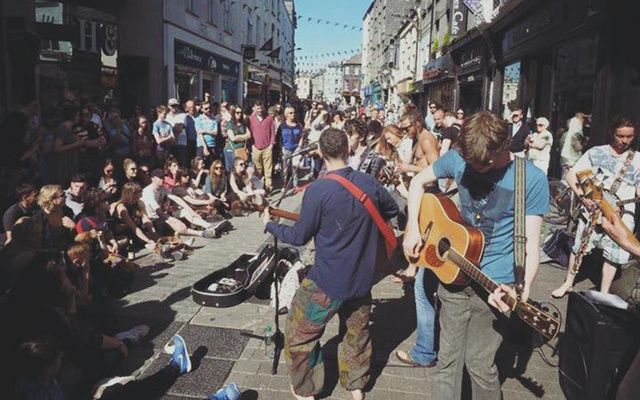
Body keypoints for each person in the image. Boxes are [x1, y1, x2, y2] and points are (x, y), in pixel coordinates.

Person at [403, 111, 549, 399]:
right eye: (469, 162)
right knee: (447, 361)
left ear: (503, 147)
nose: (473, 168)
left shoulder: (530, 179)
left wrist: (523, 290)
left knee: (480, 366)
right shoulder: (459, 158)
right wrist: (411, 229)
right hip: (452, 274)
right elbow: (418, 182)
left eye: (482, 164)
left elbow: (532, 245)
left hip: (496, 283)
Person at [262, 128, 398, 400]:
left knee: (299, 333)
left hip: (326, 282)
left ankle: (306, 390)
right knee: (356, 334)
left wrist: (270, 226)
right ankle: (356, 386)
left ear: (321, 154)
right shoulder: (368, 183)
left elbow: (299, 236)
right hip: (362, 280)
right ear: (347, 150)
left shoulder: (318, 189)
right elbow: (392, 210)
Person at [551, 116, 640, 298]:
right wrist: (583, 198)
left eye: (629, 137)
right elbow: (571, 175)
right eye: (620, 136)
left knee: (613, 254)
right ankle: (568, 283)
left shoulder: (638, 160)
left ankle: (604, 293)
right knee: (579, 248)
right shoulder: (596, 152)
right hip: (593, 209)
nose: (624, 141)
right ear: (612, 133)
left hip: (621, 215)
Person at [141, 169, 218, 238]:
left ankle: (208, 225)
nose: (163, 179)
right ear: (153, 179)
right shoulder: (148, 192)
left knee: (186, 211)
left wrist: (191, 211)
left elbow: (176, 198)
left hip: (163, 214)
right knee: (179, 225)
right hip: (153, 219)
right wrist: (171, 219)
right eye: (160, 177)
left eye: (163, 177)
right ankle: (201, 233)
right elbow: (158, 211)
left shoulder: (162, 188)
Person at [109, 182, 158, 249]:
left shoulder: (139, 203)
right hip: (123, 233)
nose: (140, 194)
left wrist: (153, 232)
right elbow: (134, 228)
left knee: (154, 234)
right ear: (131, 194)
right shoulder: (122, 208)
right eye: (138, 192)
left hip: (134, 230)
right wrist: (148, 240)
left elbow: (146, 219)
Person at [248, 100, 276, 192]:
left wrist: (271, 144)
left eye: (261, 108)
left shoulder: (269, 118)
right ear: (254, 108)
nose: (260, 110)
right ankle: (259, 186)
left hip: (267, 147)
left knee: (268, 168)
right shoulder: (251, 119)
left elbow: (272, 132)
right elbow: (250, 133)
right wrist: (252, 145)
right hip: (256, 147)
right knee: (258, 169)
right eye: (258, 108)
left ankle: (269, 186)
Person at [278, 106, 304, 188]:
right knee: (285, 169)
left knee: (295, 168)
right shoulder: (282, 126)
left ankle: (295, 184)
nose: (293, 114)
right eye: (291, 113)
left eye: (294, 112)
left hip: (296, 148)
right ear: (286, 115)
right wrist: (281, 148)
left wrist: (300, 146)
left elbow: (302, 136)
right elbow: (279, 138)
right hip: (286, 148)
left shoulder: (298, 125)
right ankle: (284, 185)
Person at [223, 105, 251, 172]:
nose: (239, 114)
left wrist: (238, 137)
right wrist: (244, 137)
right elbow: (232, 138)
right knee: (233, 170)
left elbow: (249, 135)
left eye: (241, 112)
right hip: (231, 150)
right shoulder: (230, 124)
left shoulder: (243, 123)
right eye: (237, 112)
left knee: (243, 169)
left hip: (242, 150)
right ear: (233, 113)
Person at [559, 112, 586, 176]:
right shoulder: (573, 136)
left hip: (565, 161)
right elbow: (578, 148)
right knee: (568, 179)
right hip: (571, 162)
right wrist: (584, 144)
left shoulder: (565, 134)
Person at [166, 99, 188, 167]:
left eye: (176, 106)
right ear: (168, 106)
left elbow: (179, 129)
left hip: (181, 144)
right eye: (172, 106)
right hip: (169, 143)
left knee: (182, 164)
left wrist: (170, 129)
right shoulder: (166, 116)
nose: (174, 107)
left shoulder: (183, 115)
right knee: (170, 164)